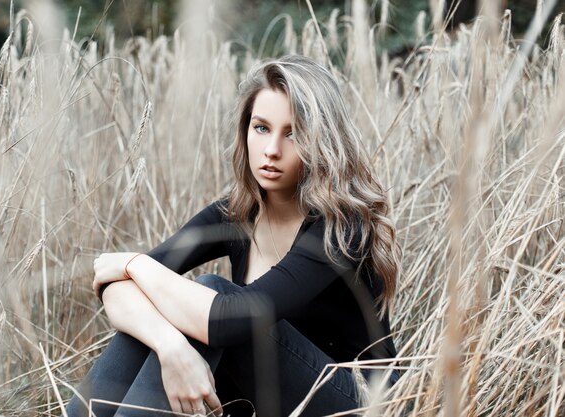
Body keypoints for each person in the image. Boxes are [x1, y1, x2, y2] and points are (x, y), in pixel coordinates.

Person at [66, 55, 401, 417]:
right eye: (261, 128)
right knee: (165, 319)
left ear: (322, 141)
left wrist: (134, 263)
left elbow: (227, 318)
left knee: (210, 293)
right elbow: (111, 286)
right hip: (266, 400)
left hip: (361, 404)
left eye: (293, 134)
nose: (272, 149)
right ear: (245, 130)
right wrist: (169, 347)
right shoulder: (234, 215)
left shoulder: (342, 227)